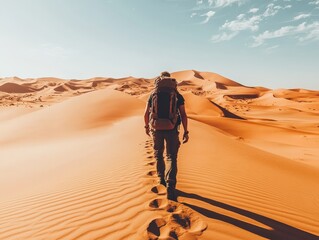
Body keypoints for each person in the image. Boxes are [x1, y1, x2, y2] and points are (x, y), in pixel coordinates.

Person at [144, 71, 189, 201]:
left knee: (158, 154)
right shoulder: (177, 95)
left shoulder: (153, 94)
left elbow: (146, 113)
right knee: (171, 157)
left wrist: (147, 126)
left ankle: (161, 179)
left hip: (156, 129)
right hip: (172, 129)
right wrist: (186, 131)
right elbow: (184, 115)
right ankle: (170, 184)